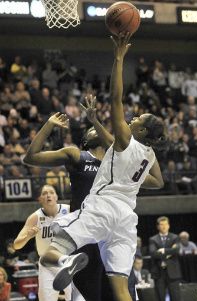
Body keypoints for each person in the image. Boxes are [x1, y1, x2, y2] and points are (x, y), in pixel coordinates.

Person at [39, 33, 166, 301]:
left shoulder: (126, 140)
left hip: (103, 207)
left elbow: (116, 98)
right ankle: (68, 262)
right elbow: (158, 182)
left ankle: (67, 263)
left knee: (52, 248)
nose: (133, 116)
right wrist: (136, 179)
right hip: (126, 219)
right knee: (122, 291)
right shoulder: (148, 155)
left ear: (141, 129)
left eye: (138, 118)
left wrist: (119, 58)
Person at [23, 100, 115, 301]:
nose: (95, 130)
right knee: (90, 295)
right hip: (85, 233)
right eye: (90, 130)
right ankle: (67, 261)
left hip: (110, 235)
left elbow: (156, 181)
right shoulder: (78, 156)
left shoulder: (116, 164)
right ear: (85, 141)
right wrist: (48, 125)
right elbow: (30, 158)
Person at [13, 185, 72, 301]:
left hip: (68, 261)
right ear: (39, 199)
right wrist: (28, 236)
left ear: (56, 196)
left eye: (51, 192)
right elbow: (16, 244)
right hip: (47, 264)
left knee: (76, 298)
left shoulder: (69, 210)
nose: (48, 195)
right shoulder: (35, 217)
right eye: (44, 193)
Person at [149, 216, 182, 301]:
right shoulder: (153, 239)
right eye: (161, 224)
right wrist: (170, 252)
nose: (164, 226)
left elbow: (177, 250)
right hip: (159, 273)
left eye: (166, 224)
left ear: (169, 226)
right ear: (158, 226)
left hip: (173, 272)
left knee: (176, 297)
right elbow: (153, 254)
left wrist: (163, 250)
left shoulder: (175, 237)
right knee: (160, 298)